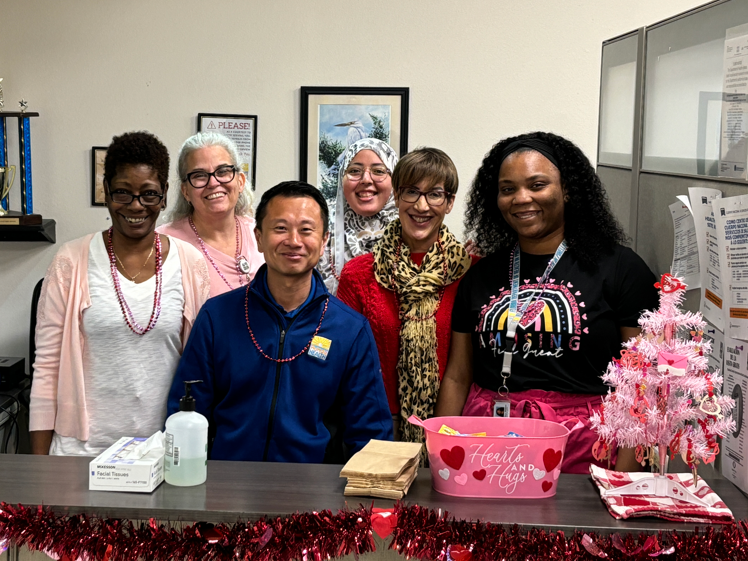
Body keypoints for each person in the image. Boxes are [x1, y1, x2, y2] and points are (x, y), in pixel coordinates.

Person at [434, 132, 658, 473]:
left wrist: (625, 475)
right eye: (508, 189)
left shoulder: (621, 268)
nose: (522, 198)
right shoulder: (481, 274)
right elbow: (457, 376)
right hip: (487, 444)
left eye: (537, 185)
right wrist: (443, 455)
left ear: (566, 189)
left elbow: (642, 383)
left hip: (585, 448)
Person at [167, 181, 393, 462]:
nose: (294, 241)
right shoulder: (217, 316)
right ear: (259, 238)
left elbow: (371, 434)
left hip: (315, 492)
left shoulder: (350, 329)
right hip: (225, 485)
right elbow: (187, 411)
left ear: (324, 241)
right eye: (280, 228)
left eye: (306, 230)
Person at [30, 131, 210, 456]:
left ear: (165, 194)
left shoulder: (190, 263)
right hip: (80, 453)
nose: (136, 206)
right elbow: (47, 367)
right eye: (123, 193)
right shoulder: (70, 261)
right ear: (106, 192)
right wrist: (39, 468)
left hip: (162, 452)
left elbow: (199, 370)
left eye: (149, 194)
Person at [337, 148, 476, 449]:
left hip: (455, 429)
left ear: (450, 202)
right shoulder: (358, 274)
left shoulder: (471, 272)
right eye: (411, 192)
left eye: (435, 194)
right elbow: (345, 364)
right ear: (397, 197)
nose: (421, 205)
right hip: (377, 427)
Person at [158, 132, 263, 296]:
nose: (213, 183)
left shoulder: (262, 233)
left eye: (222, 171)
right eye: (199, 175)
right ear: (185, 191)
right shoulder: (164, 244)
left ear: (240, 181)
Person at [317, 138, 399, 294]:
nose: (366, 180)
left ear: (395, 180)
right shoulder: (320, 235)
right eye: (354, 171)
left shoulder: (413, 236)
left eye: (379, 171)